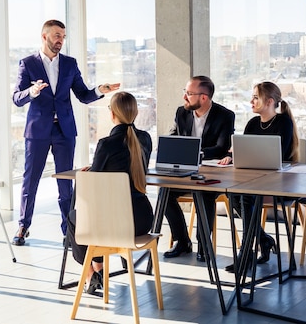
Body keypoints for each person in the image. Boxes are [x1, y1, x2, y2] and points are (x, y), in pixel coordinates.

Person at [12, 19, 120, 246]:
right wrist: (31, 91)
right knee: (30, 179)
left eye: (63, 36)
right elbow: (16, 99)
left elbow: (82, 94)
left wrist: (100, 90)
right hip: (38, 130)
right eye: (57, 36)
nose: (60, 40)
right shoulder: (28, 63)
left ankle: (68, 230)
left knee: (65, 182)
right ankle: (23, 226)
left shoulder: (70, 64)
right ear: (44, 37)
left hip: (64, 130)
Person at [66, 91, 153, 294]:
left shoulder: (106, 144)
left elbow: (95, 184)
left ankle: (92, 274)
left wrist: (87, 173)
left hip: (115, 224)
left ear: (112, 114)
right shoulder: (146, 139)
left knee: (75, 218)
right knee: (97, 221)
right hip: (142, 221)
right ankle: (98, 270)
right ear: (136, 112)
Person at [219, 81, 299, 271]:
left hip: (278, 182)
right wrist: (231, 156)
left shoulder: (283, 122)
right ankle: (263, 239)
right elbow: (247, 149)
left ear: (270, 101)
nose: (251, 101)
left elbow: (277, 154)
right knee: (234, 195)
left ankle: (246, 253)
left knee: (245, 197)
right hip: (254, 179)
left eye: (256, 97)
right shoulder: (252, 123)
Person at [163, 75, 235, 261]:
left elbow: (221, 148)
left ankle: (204, 243)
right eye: (185, 93)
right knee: (165, 192)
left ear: (203, 97)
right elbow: (175, 137)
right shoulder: (181, 113)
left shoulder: (225, 116)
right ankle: (182, 241)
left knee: (204, 194)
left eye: (189, 93)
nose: (184, 97)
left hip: (212, 174)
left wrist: (194, 152)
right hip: (186, 172)